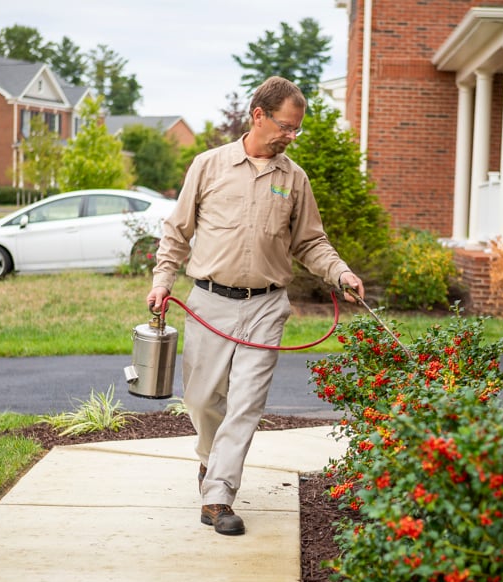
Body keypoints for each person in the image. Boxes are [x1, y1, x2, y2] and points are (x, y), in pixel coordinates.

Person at [146, 76, 364, 536]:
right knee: (204, 401)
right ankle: (210, 461)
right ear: (258, 115)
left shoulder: (294, 178)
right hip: (209, 302)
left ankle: (219, 496)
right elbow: (177, 231)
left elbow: (310, 242)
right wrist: (163, 280)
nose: (290, 136)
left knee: (245, 403)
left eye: (296, 130)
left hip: (265, 306)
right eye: (285, 126)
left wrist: (340, 272)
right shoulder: (208, 166)